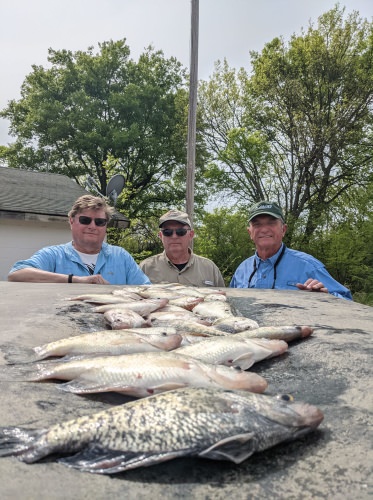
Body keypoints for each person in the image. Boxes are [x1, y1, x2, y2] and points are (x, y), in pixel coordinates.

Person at [8, 195, 151, 286]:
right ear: (71, 221)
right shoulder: (53, 255)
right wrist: (75, 280)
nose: (92, 226)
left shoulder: (121, 256)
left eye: (100, 222)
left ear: (105, 225)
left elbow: (146, 289)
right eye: (85, 220)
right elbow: (17, 274)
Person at [230, 201, 353, 300]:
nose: (264, 229)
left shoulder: (309, 266)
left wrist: (324, 299)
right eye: (257, 224)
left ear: (283, 229)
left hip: (297, 330)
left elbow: (347, 301)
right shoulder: (241, 270)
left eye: (271, 223)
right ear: (249, 232)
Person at [139, 209, 225, 287]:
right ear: (161, 236)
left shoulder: (210, 268)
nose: (174, 236)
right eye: (167, 232)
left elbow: (223, 300)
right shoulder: (145, 268)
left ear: (191, 235)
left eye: (180, 232)